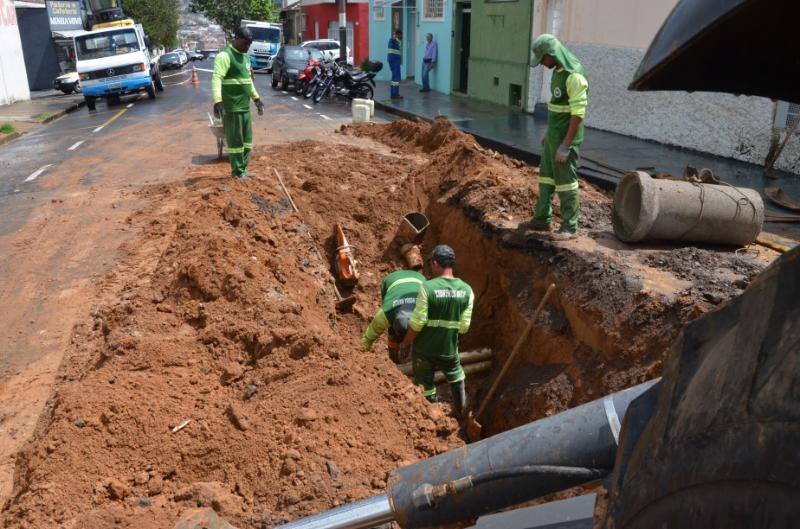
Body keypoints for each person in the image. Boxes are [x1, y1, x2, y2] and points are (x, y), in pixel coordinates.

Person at [522, 34, 588, 241]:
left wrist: (566, 145)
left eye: (542, 59)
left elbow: (578, 113)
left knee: (566, 183)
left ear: (551, 55)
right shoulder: (558, 72)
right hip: (554, 138)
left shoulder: (573, 76)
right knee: (546, 179)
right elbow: (559, 109)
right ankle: (542, 219)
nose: (542, 63)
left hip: (564, 143)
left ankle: (570, 227)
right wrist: (549, 136)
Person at [401, 245, 474, 417]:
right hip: (448, 348)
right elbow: (464, 326)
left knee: (425, 383)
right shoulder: (467, 290)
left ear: (435, 263)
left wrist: (406, 343)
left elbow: (417, 323)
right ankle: (460, 412)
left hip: (423, 350)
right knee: (456, 375)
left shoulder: (427, 288)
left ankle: (432, 416)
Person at [211, 26, 265, 180]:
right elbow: (216, 79)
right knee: (235, 142)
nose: (247, 46)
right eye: (245, 43)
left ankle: (243, 170)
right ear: (237, 39)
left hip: (244, 107)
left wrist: (257, 99)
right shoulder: (224, 56)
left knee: (247, 142)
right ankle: (237, 172)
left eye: (250, 43)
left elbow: (247, 82)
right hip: (232, 107)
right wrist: (218, 101)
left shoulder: (246, 57)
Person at [361, 268, 426, 363]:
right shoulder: (386, 313)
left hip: (420, 279)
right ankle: (393, 358)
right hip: (391, 280)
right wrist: (361, 352)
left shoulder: (426, 309)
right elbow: (367, 338)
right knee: (393, 333)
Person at [387, 30, 402, 99]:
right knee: (396, 78)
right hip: (394, 61)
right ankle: (395, 94)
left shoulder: (397, 41)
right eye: (399, 35)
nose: (400, 36)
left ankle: (393, 93)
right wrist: (394, 36)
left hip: (394, 60)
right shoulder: (393, 40)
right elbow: (393, 39)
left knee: (394, 78)